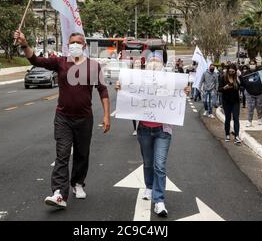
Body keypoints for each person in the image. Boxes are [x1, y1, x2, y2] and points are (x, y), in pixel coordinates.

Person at [13, 30, 111, 209]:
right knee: (62, 154)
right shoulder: (60, 63)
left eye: (77, 43)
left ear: (84, 46)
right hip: (63, 118)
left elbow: (103, 90)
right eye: (71, 43)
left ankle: (78, 183)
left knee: (82, 154)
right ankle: (58, 193)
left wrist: (106, 115)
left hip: (84, 118)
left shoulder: (94, 66)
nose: (74, 45)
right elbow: (36, 60)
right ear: (67, 46)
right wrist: (25, 44)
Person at [115, 52, 190, 217]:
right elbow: (128, 93)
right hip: (144, 130)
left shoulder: (171, 81)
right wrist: (121, 88)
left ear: (163, 65)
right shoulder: (138, 81)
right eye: (151, 61)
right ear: (146, 64)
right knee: (148, 162)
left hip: (163, 131)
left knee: (160, 165)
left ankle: (159, 201)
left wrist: (185, 91)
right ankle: (149, 187)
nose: (154, 64)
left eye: (157, 62)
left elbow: (178, 96)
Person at [218, 65, 242, 145]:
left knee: (236, 118)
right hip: (226, 101)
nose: (231, 73)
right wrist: (225, 88)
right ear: (228, 70)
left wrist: (240, 76)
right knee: (228, 118)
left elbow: (242, 86)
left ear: (235, 71)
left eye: (233, 71)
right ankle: (227, 134)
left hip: (235, 101)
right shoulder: (223, 77)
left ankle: (237, 136)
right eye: (230, 71)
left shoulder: (237, 78)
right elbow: (219, 89)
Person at [240, 60, 262, 127]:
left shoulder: (260, 72)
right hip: (249, 93)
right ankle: (249, 121)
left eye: (253, 64)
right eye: (251, 64)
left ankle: (259, 118)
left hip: (260, 93)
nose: (252, 65)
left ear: (256, 64)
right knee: (250, 107)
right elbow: (242, 82)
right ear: (249, 65)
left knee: (259, 107)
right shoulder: (246, 73)